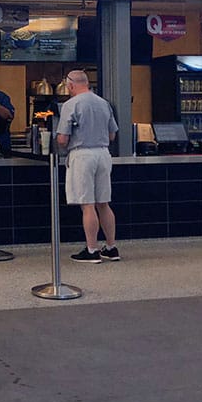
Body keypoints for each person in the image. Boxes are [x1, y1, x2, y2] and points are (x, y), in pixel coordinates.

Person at [55, 70, 120, 263]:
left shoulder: (70, 105)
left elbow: (63, 138)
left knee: (88, 205)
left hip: (82, 156)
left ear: (71, 85)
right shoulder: (104, 103)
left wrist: (60, 140)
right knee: (104, 203)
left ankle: (92, 250)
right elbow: (112, 135)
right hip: (103, 154)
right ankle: (111, 247)